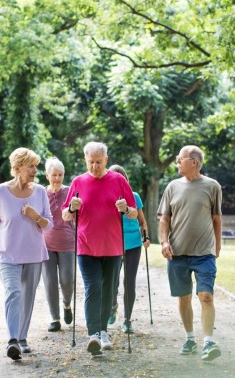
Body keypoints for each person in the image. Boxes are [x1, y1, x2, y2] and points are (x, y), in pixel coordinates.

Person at [62, 141, 137, 356]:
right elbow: (65, 216)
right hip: (86, 245)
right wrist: (71, 208)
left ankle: (104, 331)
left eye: (98, 161)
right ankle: (93, 334)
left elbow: (133, 213)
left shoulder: (118, 180)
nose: (94, 166)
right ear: (86, 160)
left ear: (106, 160)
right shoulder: (78, 182)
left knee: (107, 290)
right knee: (92, 287)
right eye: (90, 162)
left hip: (113, 246)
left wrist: (126, 208)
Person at [0, 147, 53, 361]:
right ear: (17, 168)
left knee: (27, 297)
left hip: (34, 254)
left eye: (35, 166)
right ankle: (12, 340)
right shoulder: (1, 191)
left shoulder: (41, 192)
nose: (35, 170)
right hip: (7, 254)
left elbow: (49, 225)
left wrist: (35, 216)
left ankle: (22, 338)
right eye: (30, 166)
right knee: (13, 293)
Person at [157, 145, 223, 362]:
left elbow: (216, 218)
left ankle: (209, 342)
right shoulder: (172, 187)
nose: (177, 161)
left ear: (193, 161)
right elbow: (164, 219)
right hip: (177, 254)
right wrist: (164, 242)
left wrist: (217, 246)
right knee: (184, 298)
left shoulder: (212, 186)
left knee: (206, 296)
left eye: (180, 158)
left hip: (204, 253)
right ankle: (190, 338)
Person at [107, 165, 150, 334]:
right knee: (112, 280)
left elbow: (142, 221)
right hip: (113, 242)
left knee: (129, 281)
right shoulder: (106, 197)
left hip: (132, 242)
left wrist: (145, 237)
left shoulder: (134, 196)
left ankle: (127, 320)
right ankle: (112, 307)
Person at [42, 157, 75, 332]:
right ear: (47, 175)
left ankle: (67, 304)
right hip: (45, 244)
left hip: (67, 242)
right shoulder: (40, 193)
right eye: (54, 175)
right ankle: (54, 318)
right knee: (50, 282)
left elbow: (77, 215)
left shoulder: (70, 191)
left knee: (67, 280)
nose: (57, 178)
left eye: (60, 175)